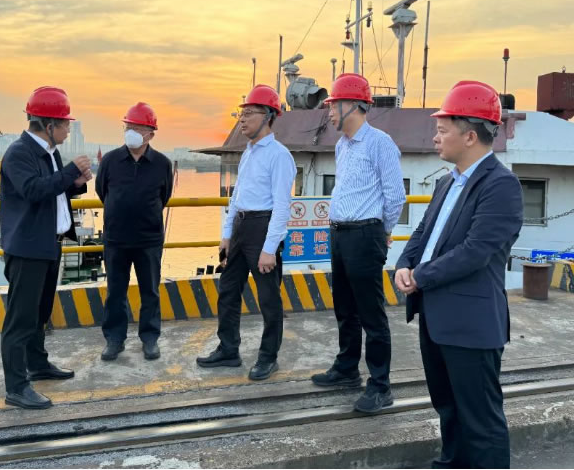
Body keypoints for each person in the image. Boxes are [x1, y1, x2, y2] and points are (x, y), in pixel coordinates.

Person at [394, 80, 523, 468]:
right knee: (448, 407)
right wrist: (404, 264)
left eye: (442, 129)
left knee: (480, 419)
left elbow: (475, 252)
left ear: (469, 136)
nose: (436, 137)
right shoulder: (446, 182)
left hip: (471, 324)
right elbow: (424, 232)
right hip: (436, 318)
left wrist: (421, 277)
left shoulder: (501, 185)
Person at [310, 73, 406, 413]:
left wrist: (380, 232)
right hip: (339, 233)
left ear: (352, 105)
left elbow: (396, 196)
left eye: (333, 105)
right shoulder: (342, 145)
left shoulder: (380, 143)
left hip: (365, 234)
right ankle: (347, 368)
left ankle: (380, 386)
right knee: (345, 307)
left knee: (370, 312)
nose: (330, 113)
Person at [0, 86, 92, 409]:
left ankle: (37, 364)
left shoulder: (49, 153)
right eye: (65, 124)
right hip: (28, 248)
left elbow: (52, 192)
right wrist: (70, 172)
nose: (68, 129)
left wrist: (74, 185)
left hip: (48, 245)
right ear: (48, 125)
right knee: (20, 319)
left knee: (39, 313)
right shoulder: (19, 153)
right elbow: (33, 190)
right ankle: (16, 387)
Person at [196, 85, 296, 381]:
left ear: (268, 116)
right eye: (242, 113)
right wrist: (227, 235)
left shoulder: (279, 156)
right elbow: (236, 197)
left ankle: (268, 357)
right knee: (228, 290)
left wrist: (269, 248)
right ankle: (228, 349)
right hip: (241, 227)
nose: (242, 119)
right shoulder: (248, 153)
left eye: (249, 113)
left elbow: (282, 207)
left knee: (268, 298)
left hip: (263, 228)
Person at [97, 103, 173, 362]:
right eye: (128, 127)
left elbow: (164, 196)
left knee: (150, 291)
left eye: (138, 128)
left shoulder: (162, 164)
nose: (131, 132)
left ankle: (150, 339)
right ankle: (114, 339)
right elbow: (102, 192)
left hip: (149, 239)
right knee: (115, 292)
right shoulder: (110, 161)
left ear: (150, 133)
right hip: (116, 238)